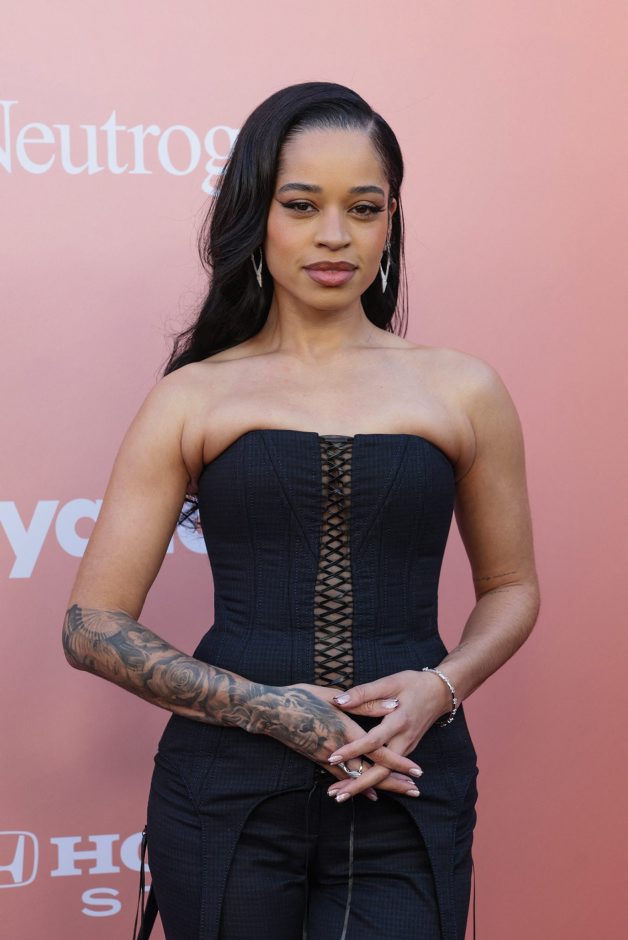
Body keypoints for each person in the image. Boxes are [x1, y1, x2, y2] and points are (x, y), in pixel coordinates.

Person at [62, 81, 539, 940]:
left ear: (391, 220)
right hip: (224, 792)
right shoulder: (193, 396)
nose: (334, 235)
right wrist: (269, 709)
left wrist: (441, 688)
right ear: (258, 214)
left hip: (406, 780)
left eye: (364, 208)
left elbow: (511, 588)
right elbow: (91, 626)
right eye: (302, 205)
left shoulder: (463, 389)